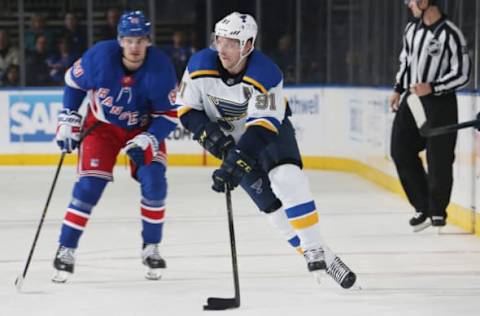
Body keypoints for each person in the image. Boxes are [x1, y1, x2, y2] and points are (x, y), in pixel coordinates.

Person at [176, 12, 356, 289]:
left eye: (231, 43)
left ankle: (313, 247)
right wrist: (211, 138)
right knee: (271, 209)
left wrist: (235, 161)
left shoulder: (266, 73)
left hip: (270, 134)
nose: (222, 49)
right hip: (231, 142)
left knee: (287, 178)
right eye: (219, 40)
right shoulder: (200, 65)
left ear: (248, 45)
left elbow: (261, 128)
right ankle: (326, 257)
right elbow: (188, 111)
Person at [52, 11, 178, 283]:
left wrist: (150, 138)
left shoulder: (161, 68)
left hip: (143, 129)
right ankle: (66, 248)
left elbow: (168, 115)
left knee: (155, 182)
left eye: (141, 40)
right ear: (120, 40)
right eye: (129, 40)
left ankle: (151, 247)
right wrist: (68, 117)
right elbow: (73, 83)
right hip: (103, 127)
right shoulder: (99, 57)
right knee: (88, 186)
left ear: (148, 41)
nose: (135, 47)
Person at [389, 0, 471, 232]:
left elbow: (463, 73)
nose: (408, 5)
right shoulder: (411, 29)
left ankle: (437, 211)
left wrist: (434, 87)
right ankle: (422, 205)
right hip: (412, 99)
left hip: (440, 103)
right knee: (400, 149)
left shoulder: (451, 34)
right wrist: (397, 89)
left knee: (439, 158)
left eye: (411, 0)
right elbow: (405, 61)